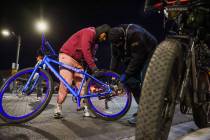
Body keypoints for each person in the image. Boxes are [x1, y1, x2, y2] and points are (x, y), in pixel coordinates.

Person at [54, 24, 111, 119]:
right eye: (104, 36)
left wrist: (92, 63)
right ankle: (58, 108)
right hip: (67, 56)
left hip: (78, 62)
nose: (104, 39)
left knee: (82, 86)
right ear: (101, 32)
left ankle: (86, 108)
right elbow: (85, 49)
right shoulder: (89, 32)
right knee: (66, 82)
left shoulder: (95, 43)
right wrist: (93, 67)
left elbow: (90, 55)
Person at [109, 24, 157, 124]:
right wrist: (111, 75)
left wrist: (125, 74)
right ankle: (143, 109)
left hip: (148, 52)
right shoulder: (114, 40)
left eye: (119, 43)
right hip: (132, 54)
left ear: (123, 38)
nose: (117, 45)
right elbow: (115, 58)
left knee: (145, 81)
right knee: (131, 82)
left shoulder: (135, 34)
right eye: (115, 44)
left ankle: (148, 113)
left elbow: (137, 59)